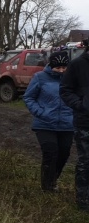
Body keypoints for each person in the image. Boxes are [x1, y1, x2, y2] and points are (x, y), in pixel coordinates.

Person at [24, 51, 74, 192]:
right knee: (50, 152)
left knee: (64, 153)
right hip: (45, 123)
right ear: (51, 65)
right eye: (58, 68)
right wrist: (41, 113)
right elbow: (29, 98)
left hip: (67, 124)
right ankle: (47, 187)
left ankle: (53, 179)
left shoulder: (71, 79)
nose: (61, 70)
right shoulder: (40, 78)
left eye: (64, 67)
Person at [60, 43, 89, 210]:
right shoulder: (77, 64)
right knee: (86, 161)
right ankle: (83, 200)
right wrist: (81, 105)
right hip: (85, 122)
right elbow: (65, 90)